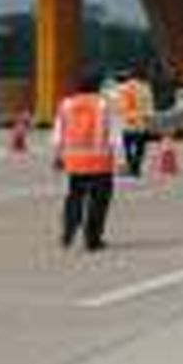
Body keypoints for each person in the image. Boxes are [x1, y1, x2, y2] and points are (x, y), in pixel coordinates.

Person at [52, 69, 122, 252]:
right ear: (98, 85)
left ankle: (68, 233)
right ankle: (92, 239)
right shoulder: (104, 105)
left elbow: (58, 133)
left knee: (74, 197)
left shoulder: (66, 104)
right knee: (98, 201)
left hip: (74, 161)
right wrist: (121, 159)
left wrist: (58, 156)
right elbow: (114, 134)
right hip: (100, 161)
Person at [114, 69, 155, 176]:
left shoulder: (122, 88)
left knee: (127, 147)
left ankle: (130, 164)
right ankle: (136, 167)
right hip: (141, 123)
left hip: (127, 122)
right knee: (140, 147)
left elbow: (117, 105)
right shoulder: (145, 88)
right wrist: (148, 119)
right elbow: (149, 106)